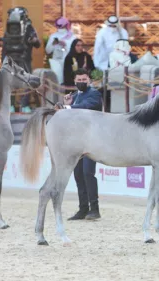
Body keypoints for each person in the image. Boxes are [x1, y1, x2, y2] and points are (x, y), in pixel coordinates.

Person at [55, 68, 103, 221]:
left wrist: (68, 107)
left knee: (88, 173)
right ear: (75, 81)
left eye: (84, 80)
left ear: (89, 80)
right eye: (79, 80)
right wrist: (66, 104)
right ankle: (83, 209)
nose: (81, 82)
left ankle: (94, 209)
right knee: (78, 175)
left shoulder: (94, 94)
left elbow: (88, 105)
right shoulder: (73, 96)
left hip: (91, 140)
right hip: (76, 142)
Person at [46, 17, 76, 85]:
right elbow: (48, 51)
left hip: (68, 62)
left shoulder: (72, 37)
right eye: (58, 26)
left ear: (66, 25)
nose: (60, 29)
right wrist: (53, 44)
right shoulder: (53, 36)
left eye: (62, 27)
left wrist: (65, 45)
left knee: (68, 81)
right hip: (56, 61)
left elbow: (75, 51)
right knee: (57, 81)